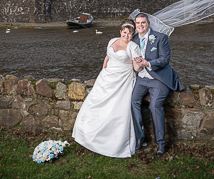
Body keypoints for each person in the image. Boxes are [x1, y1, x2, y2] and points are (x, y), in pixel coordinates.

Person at [72, 19, 143, 158]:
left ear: (133, 34)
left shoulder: (133, 47)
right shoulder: (112, 41)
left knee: (115, 109)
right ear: (120, 31)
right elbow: (108, 56)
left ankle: (112, 143)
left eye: (129, 33)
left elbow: (136, 67)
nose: (126, 35)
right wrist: (104, 68)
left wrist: (141, 64)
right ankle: (87, 135)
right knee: (95, 104)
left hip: (122, 80)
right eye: (124, 32)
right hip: (106, 78)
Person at [131, 12, 185, 157]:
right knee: (132, 102)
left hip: (158, 79)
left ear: (148, 23)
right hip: (141, 79)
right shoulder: (133, 39)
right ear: (135, 25)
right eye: (138, 23)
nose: (140, 25)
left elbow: (165, 59)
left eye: (143, 22)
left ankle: (160, 143)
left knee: (154, 106)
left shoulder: (161, 37)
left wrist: (147, 63)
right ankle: (140, 137)